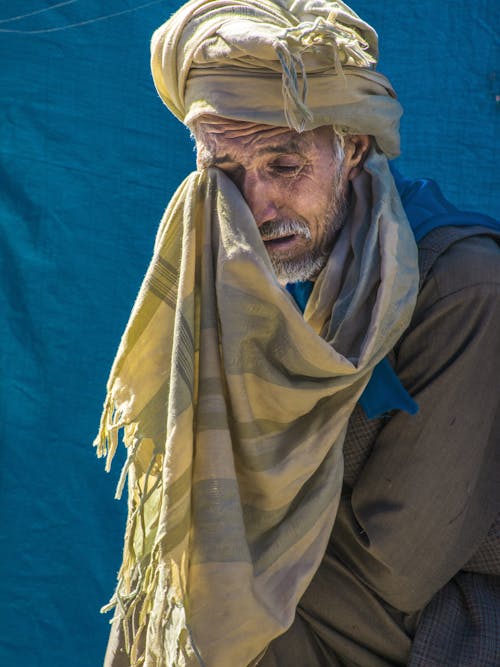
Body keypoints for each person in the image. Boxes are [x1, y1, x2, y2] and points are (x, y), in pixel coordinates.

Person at [95, 1, 500, 665]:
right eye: (224, 170)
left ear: (353, 149)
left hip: (431, 621)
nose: (255, 206)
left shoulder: (464, 287)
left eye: (284, 166)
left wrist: (235, 515)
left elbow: (397, 565)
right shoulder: (239, 269)